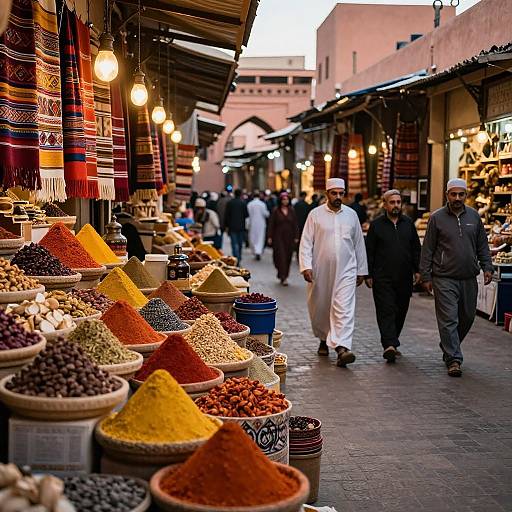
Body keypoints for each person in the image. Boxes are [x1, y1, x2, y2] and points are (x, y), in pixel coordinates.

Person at [419, 178, 493, 377]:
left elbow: (482, 246)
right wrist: (425, 275)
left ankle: (448, 344)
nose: (457, 198)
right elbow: (428, 249)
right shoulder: (437, 218)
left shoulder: (474, 217)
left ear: (466, 195)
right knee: (448, 319)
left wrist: (487, 267)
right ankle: (454, 359)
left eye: (461, 194)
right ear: (447, 195)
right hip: (444, 277)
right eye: (454, 194)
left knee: (467, 317)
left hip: (469, 276)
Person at [299, 178, 368, 367]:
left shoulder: (352, 215)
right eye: (334, 193)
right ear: (326, 193)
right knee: (321, 306)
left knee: (344, 308)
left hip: (347, 270)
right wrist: (306, 266)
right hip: (320, 270)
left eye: (341, 193)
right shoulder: (315, 215)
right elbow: (306, 242)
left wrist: (362, 270)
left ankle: (342, 348)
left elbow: (359, 245)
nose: (338, 197)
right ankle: (323, 338)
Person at [365, 189, 421, 362]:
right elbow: (369, 251)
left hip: (404, 277)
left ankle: (393, 341)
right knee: (386, 310)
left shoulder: (408, 224)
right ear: (385, 204)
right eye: (392, 202)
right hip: (382, 277)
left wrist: (418, 270)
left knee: (400, 311)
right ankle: (389, 344)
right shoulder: (376, 225)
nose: (396, 205)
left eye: (398, 202)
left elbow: (415, 249)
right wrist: (368, 273)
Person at [268, 193, 299, 285]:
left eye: (287, 199)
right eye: (283, 199)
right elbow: (271, 225)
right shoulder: (275, 211)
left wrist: (297, 236)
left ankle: (284, 274)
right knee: (280, 256)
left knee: (288, 256)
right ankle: (283, 276)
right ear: (280, 200)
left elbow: (295, 225)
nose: (285, 201)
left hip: (289, 237)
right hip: (278, 237)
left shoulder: (292, 211)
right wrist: (269, 237)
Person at [224, 189, 248, 264]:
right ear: (240, 194)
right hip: (241, 226)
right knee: (240, 243)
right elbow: (246, 215)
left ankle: (235, 258)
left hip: (232, 226)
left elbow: (226, 215)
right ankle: (239, 257)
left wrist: (226, 226)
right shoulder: (243, 203)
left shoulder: (230, 203)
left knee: (234, 243)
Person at [247, 192, 269, 261]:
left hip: (252, 223)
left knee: (253, 237)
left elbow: (248, 214)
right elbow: (266, 214)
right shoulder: (262, 204)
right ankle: (258, 251)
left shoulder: (250, 204)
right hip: (261, 223)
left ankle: (255, 251)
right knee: (260, 237)